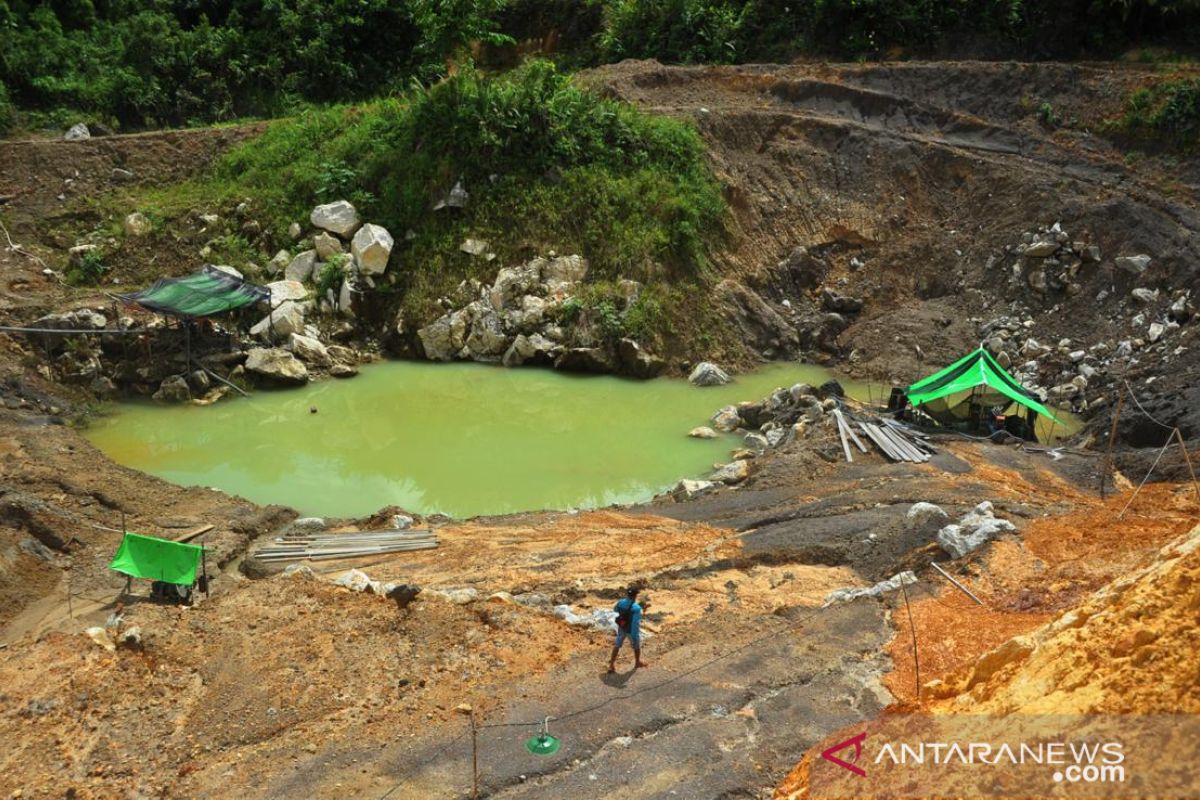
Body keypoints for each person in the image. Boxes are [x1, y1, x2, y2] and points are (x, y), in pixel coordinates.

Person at [608, 586, 649, 673]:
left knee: (617, 645)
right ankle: (637, 662)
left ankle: (611, 665)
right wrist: (634, 637)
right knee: (636, 646)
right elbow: (635, 623)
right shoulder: (636, 608)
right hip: (630, 630)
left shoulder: (621, 602)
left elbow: (615, 609)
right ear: (635, 596)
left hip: (622, 627)